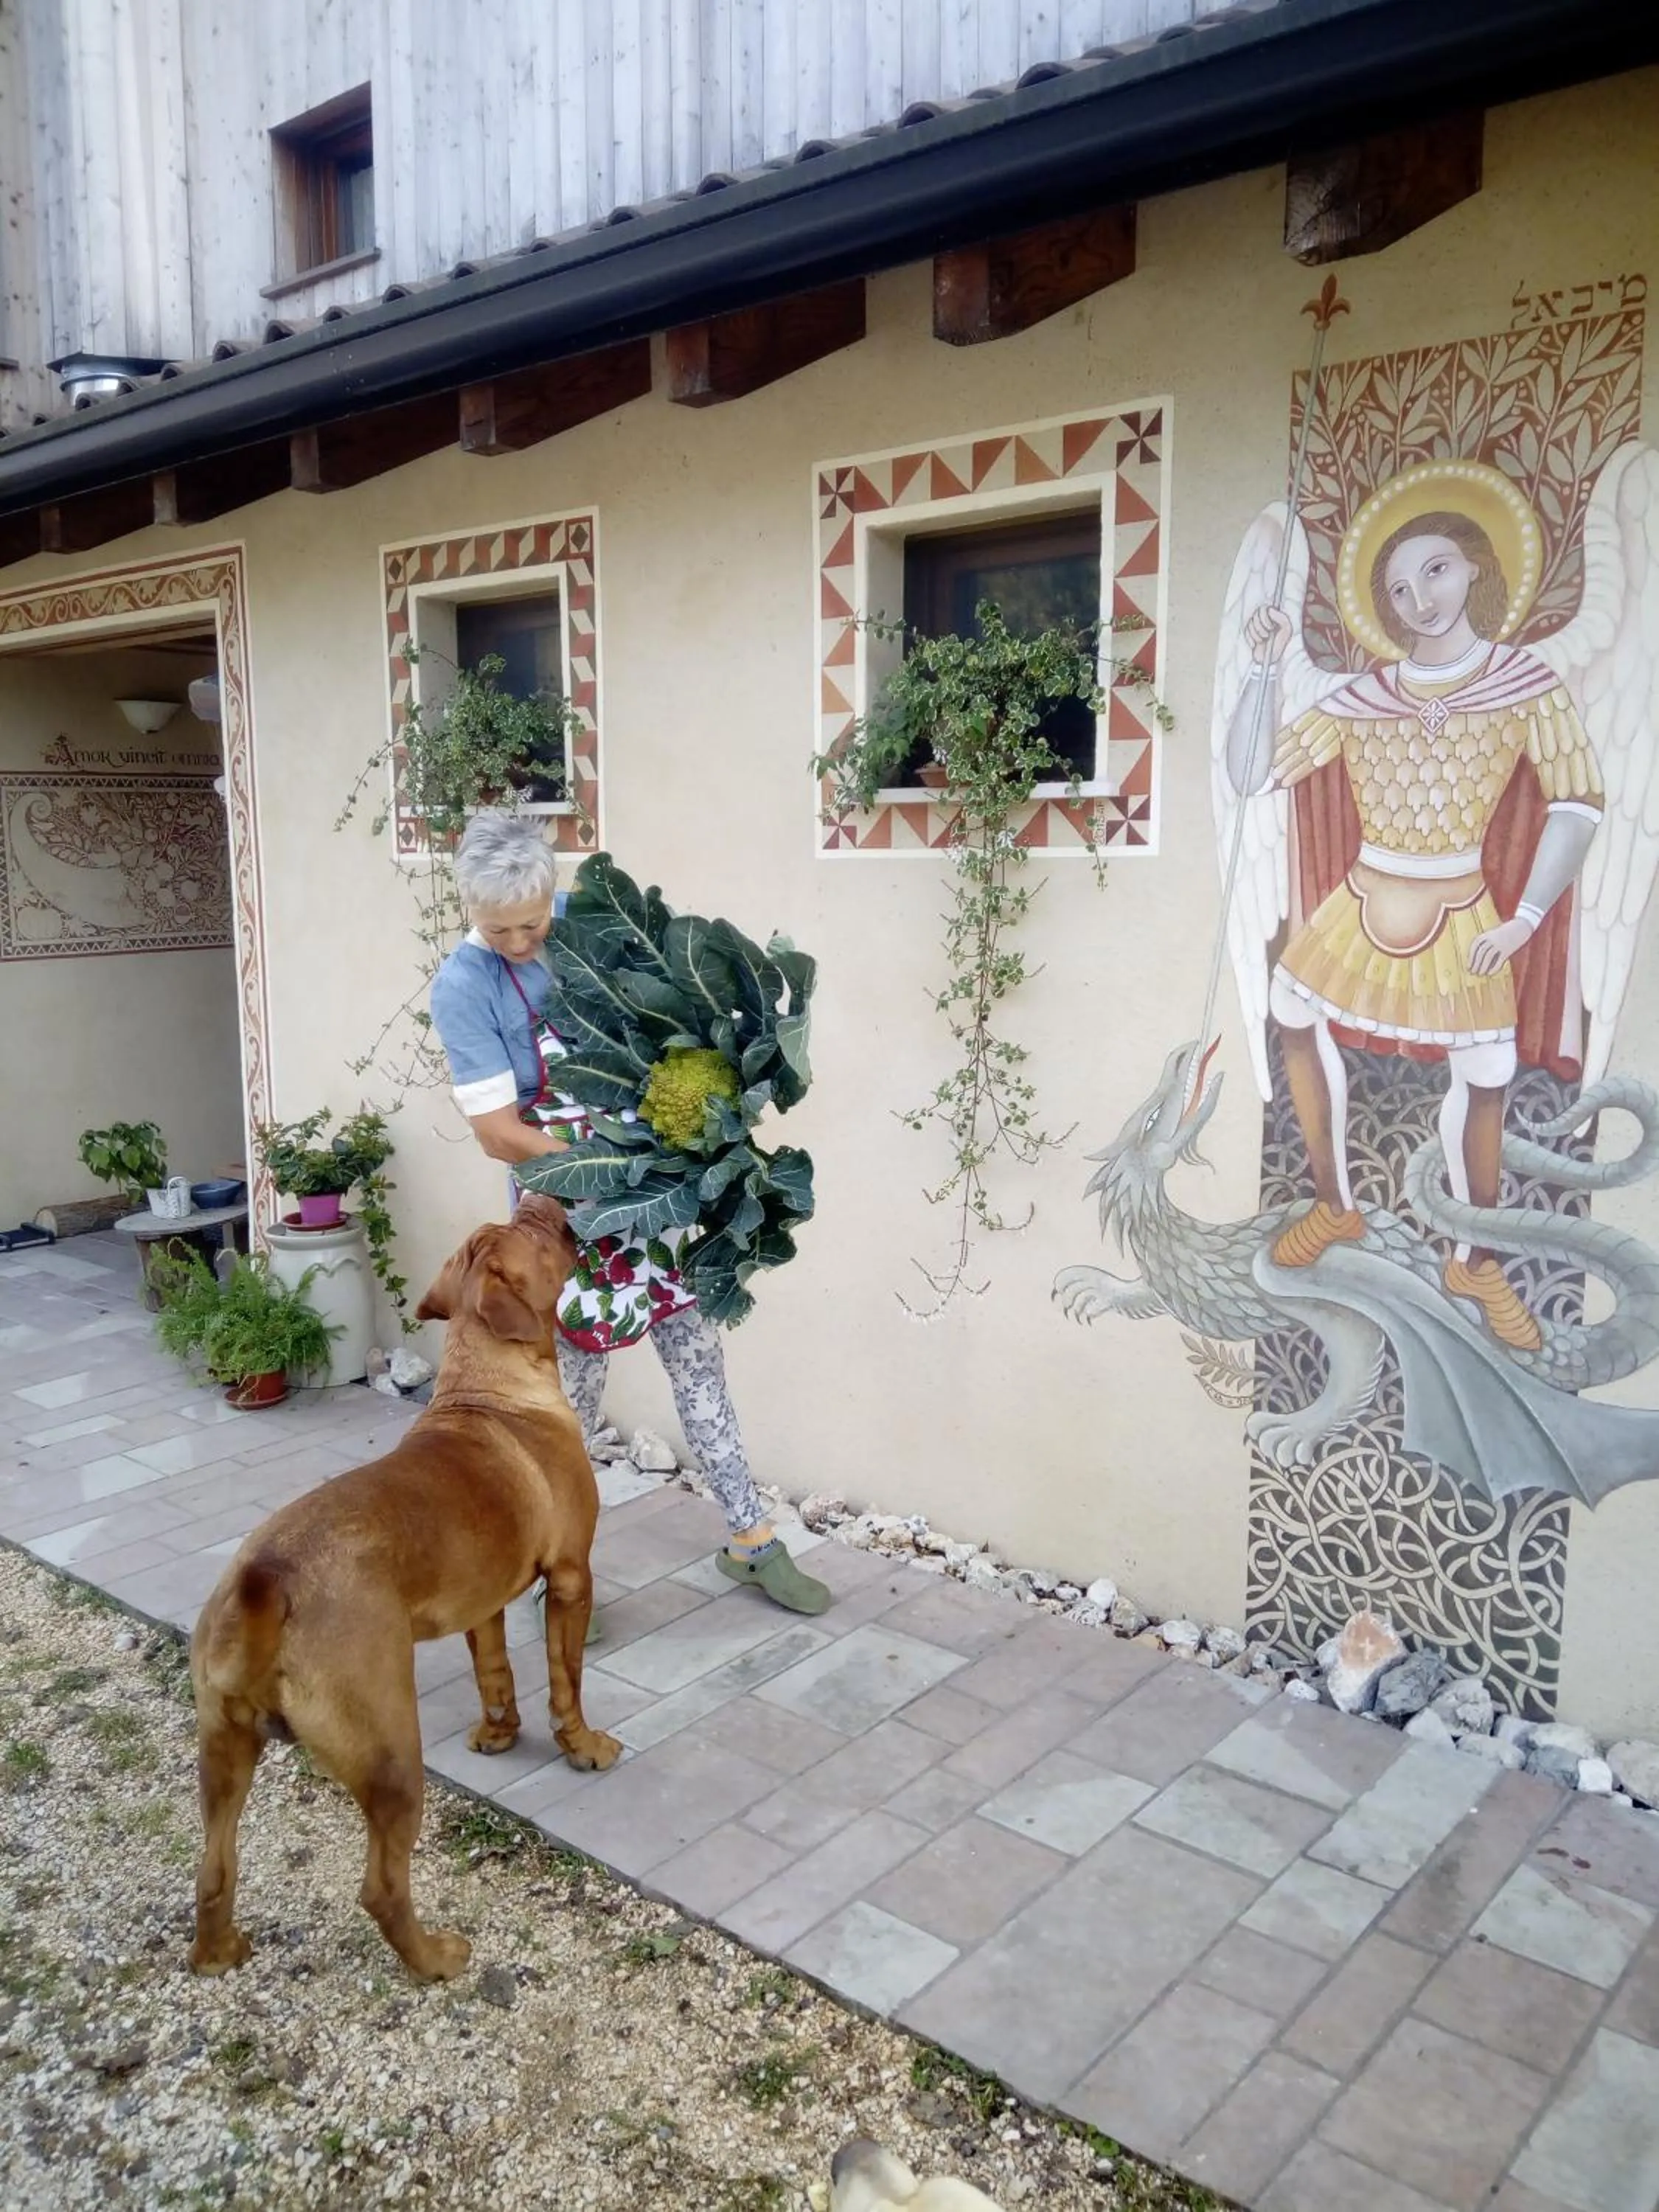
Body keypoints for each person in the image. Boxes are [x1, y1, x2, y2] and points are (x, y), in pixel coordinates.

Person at [1228, 468, 1604, 1352]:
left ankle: (1475, 1258)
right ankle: (1334, 1206)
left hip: (1461, 907)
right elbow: (1251, 773)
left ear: (1476, 569)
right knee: (1290, 1011)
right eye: (1397, 588)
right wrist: (1259, 666)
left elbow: (1578, 802)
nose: (1417, 599)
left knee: (1484, 1075)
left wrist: (1526, 919)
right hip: (1361, 901)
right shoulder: (1362, 697)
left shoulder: (1526, 685)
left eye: (1435, 572)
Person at [428, 810, 830, 1615]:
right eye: (498, 928)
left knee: (697, 1359)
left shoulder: (597, 924)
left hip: (660, 1198)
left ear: (553, 895)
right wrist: (608, 1169)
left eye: (533, 924)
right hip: (563, 1218)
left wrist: (686, 1140)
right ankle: (557, 1574)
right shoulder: (464, 989)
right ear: (471, 912)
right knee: (570, 1400)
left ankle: (751, 1541)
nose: (519, 941)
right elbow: (498, 1134)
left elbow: (674, 1031)